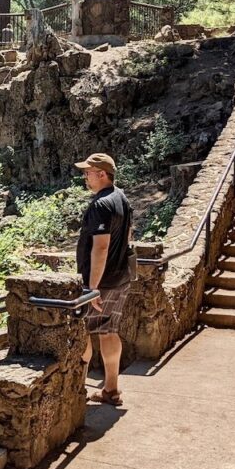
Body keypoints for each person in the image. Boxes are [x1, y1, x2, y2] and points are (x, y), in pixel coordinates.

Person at [74, 153, 133, 406]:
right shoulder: (122, 198)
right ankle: (111, 390)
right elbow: (129, 235)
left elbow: (100, 248)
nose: (84, 176)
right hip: (121, 277)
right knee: (109, 331)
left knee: (82, 331)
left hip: (101, 283)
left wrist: (92, 288)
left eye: (88, 172)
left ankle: (75, 391)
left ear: (101, 174)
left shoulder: (101, 205)